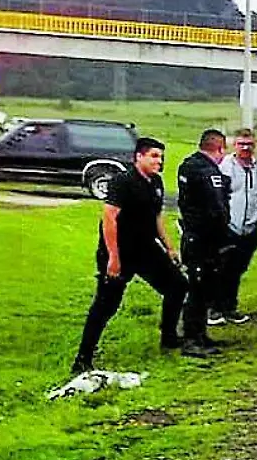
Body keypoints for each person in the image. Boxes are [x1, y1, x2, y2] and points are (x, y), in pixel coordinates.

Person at [70, 137, 195, 373]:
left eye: (161, 157)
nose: (159, 161)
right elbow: (109, 220)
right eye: (154, 156)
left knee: (177, 286)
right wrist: (113, 258)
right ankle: (83, 357)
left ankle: (168, 337)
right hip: (120, 250)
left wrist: (169, 247)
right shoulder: (123, 182)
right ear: (139, 157)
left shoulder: (155, 182)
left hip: (146, 249)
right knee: (106, 304)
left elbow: (157, 217)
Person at [175, 129, 231, 355]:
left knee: (202, 288)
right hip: (205, 240)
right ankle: (192, 339)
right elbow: (217, 208)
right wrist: (224, 237)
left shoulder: (187, 165)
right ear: (219, 148)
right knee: (199, 290)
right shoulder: (208, 172)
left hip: (192, 235)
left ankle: (199, 334)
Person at [213, 128, 257, 324]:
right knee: (221, 268)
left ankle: (230, 307)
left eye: (249, 144)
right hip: (228, 227)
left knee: (238, 269)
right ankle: (215, 308)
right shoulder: (224, 168)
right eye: (241, 144)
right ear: (233, 145)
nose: (245, 148)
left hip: (250, 229)